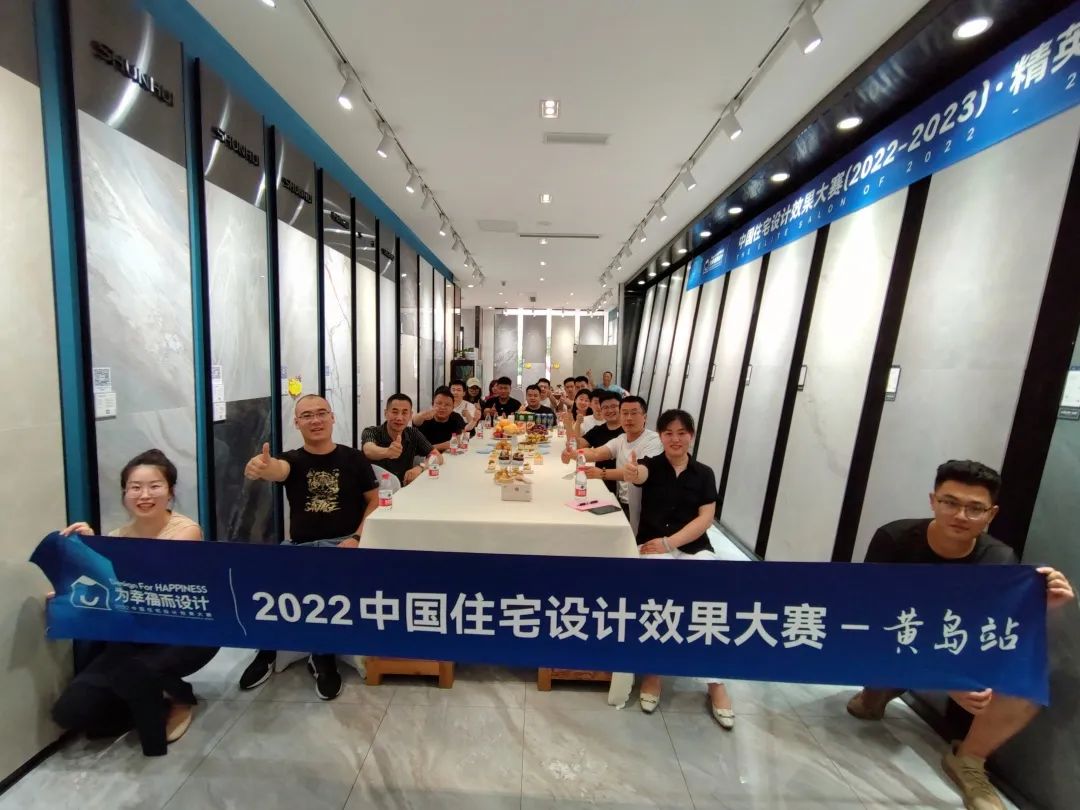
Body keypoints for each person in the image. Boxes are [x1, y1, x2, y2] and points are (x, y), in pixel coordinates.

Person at [847, 460, 1074, 810]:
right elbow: (869, 614)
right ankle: (876, 694)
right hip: (895, 636)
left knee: (1025, 677)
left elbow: (993, 630)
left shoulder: (999, 559)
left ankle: (969, 759)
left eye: (975, 508)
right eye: (950, 502)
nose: (960, 515)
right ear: (933, 501)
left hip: (953, 644)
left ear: (991, 514)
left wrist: (1042, 606)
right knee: (869, 692)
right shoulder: (894, 539)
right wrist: (944, 675)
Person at [54, 450, 218, 756]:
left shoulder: (186, 531)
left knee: (136, 671)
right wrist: (73, 582)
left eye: (155, 486)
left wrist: (99, 554)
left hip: (186, 634)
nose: (144, 495)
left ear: (170, 492)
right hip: (134, 638)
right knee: (72, 712)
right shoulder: (116, 537)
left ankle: (177, 696)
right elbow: (103, 589)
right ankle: (157, 697)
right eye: (135, 487)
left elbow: (151, 575)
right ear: (124, 493)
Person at [240, 394, 380, 698]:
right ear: (296, 423)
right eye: (306, 416)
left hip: (341, 544)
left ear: (332, 417)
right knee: (263, 583)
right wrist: (263, 467)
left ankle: (322, 658)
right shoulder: (292, 459)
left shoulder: (354, 459)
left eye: (321, 413)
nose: (315, 420)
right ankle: (267, 651)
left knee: (321, 586)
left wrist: (357, 538)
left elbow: (374, 501)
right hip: (299, 546)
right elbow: (278, 470)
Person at [622, 409, 733, 729]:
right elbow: (639, 474)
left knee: (708, 601)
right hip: (652, 546)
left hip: (691, 546)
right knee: (657, 599)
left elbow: (705, 518)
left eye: (681, 433)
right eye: (668, 433)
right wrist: (631, 472)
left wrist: (670, 543)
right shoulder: (652, 465)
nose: (675, 439)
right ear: (660, 436)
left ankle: (715, 681)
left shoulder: (704, 473)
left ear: (691, 436)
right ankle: (653, 672)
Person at [562, 395, 661, 531]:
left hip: (646, 505)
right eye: (625, 413)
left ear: (645, 417)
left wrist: (602, 473)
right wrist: (572, 454)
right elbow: (596, 453)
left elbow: (638, 471)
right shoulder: (621, 439)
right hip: (623, 500)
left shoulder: (653, 440)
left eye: (634, 413)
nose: (629, 418)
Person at [361, 393, 437, 485]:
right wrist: (388, 452)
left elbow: (436, 456)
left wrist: (420, 467)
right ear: (386, 413)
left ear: (410, 415)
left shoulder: (413, 433)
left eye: (404, 413)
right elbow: (368, 450)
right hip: (379, 489)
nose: (399, 418)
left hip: (405, 488)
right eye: (395, 412)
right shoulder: (371, 431)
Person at [576, 390, 623, 495]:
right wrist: (572, 424)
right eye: (605, 407)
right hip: (601, 484)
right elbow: (578, 445)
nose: (609, 410)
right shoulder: (598, 430)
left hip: (624, 486)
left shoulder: (628, 431)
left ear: (621, 407)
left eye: (614, 406)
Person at [413, 385, 467, 451]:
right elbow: (418, 449)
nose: (442, 407)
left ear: (453, 407)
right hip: (428, 456)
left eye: (447, 404)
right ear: (432, 404)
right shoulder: (425, 419)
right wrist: (442, 446)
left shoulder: (456, 417)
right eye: (439, 403)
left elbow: (466, 434)